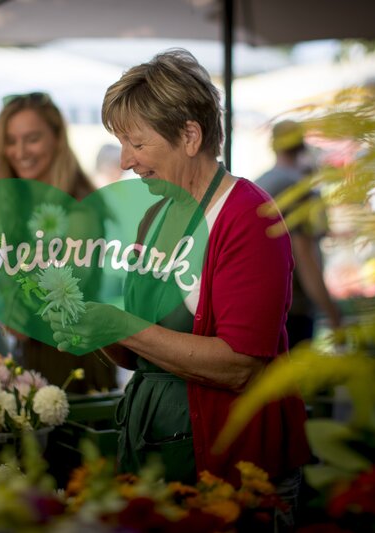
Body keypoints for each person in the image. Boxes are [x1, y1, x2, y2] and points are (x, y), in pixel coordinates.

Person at [47, 50, 310, 528]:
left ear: (190, 136)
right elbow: (141, 352)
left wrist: (120, 324)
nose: (125, 162)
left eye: (137, 143)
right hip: (154, 455)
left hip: (231, 467)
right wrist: (94, 326)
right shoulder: (155, 216)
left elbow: (239, 367)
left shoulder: (248, 217)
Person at [0, 92, 118, 394]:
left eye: (32, 138)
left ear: (57, 138)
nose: (20, 151)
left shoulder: (80, 209)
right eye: (10, 140)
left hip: (73, 362)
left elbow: (69, 288)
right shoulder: (17, 207)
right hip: (29, 359)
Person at [256, 120, 343, 349]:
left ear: (274, 146)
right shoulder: (295, 187)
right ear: (302, 144)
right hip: (292, 308)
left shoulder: (262, 182)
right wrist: (334, 316)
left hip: (264, 304)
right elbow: (304, 256)